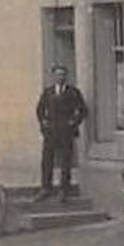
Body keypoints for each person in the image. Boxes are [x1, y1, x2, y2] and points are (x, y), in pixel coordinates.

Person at [35, 64, 87, 199]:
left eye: (63, 75)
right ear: (53, 76)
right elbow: (40, 110)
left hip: (66, 132)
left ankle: (64, 189)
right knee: (47, 160)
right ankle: (46, 188)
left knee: (65, 161)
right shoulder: (48, 92)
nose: (60, 77)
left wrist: (73, 122)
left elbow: (83, 110)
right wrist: (43, 123)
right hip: (51, 131)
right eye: (58, 75)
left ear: (66, 77)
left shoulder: (73, 92)